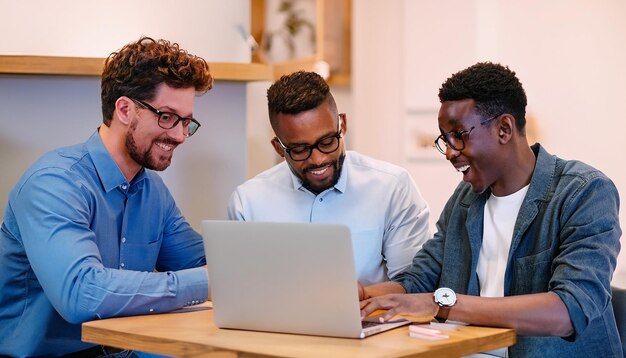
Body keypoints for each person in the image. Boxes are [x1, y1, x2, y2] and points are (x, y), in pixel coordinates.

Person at [359, 62, 622, 357]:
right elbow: (419, 280)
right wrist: (364, 296)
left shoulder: (583, 192)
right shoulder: (466, 198)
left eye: (459, 135)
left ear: (504, 129)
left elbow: (568, 311)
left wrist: (441, 305)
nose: (449, 152)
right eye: (444, 140)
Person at [0, 37, 213, 357]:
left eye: (186, 122)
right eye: (167, 117)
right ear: (125, 109)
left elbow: (209, 263)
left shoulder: (152, 191)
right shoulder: (54, 183)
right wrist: (205, 283)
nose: (180, 135)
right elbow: (81, 294)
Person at [227, 71, 431, 285]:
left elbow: (412, 284)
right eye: (299, 150)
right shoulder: (247, 202)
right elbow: (241, 287)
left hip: (370, 317)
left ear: (342, 125)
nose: (317, 159)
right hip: (273, 319)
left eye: (327, 142)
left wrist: (358, 299)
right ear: (279, 148)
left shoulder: (393, 188)